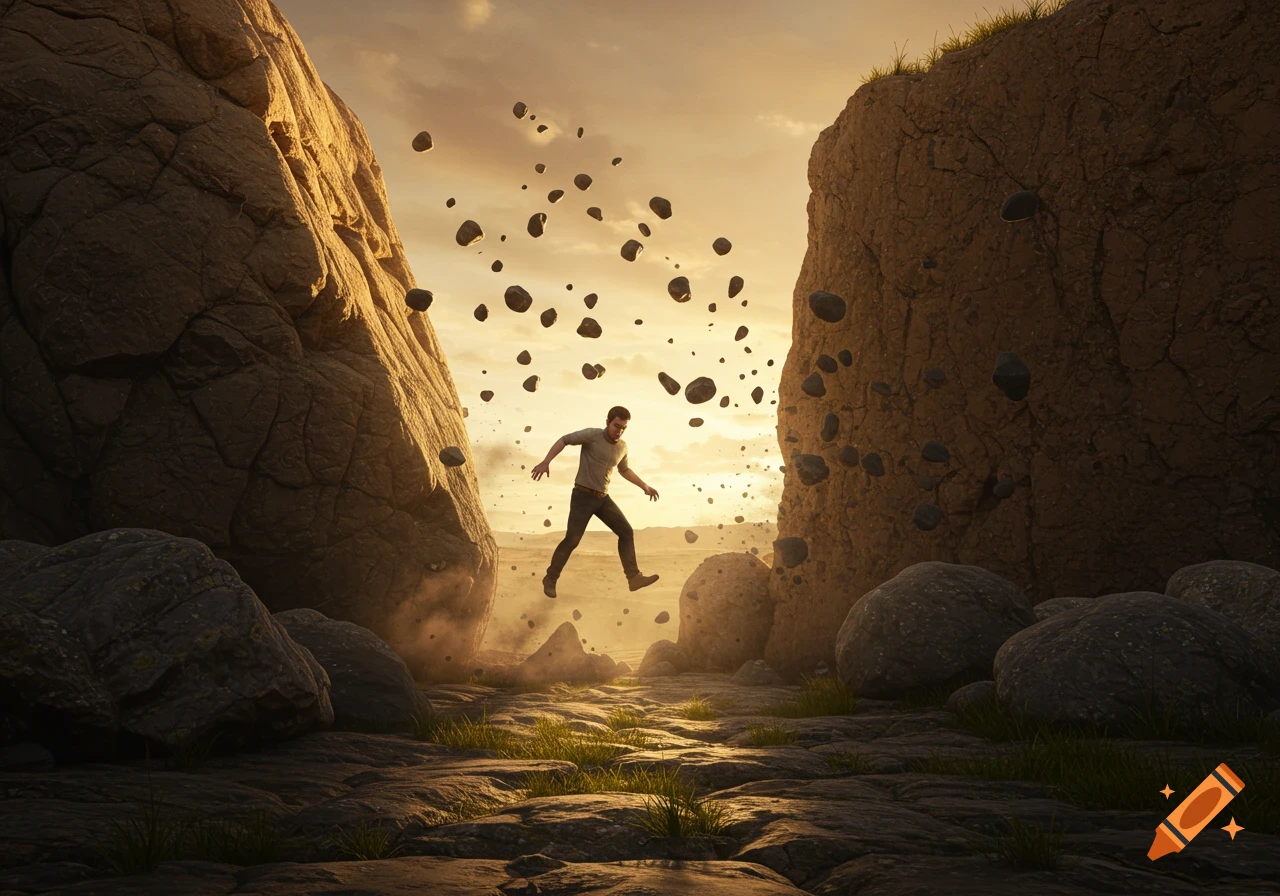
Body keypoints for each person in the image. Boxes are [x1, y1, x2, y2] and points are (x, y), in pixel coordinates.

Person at [530, 406, 660, 599]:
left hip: (603, 499)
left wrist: (644, 486)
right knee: (572, 540)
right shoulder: (591, 435)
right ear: (607, 422)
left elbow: (624, 470)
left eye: (623, 428)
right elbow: (564, 440)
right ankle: (550, 579)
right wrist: (546, 461)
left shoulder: (622, 447)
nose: (619, 431)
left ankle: (633, 578)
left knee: (626, 532)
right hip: (583, 496)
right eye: (617, 426)